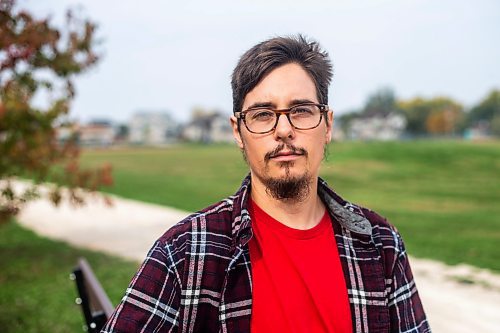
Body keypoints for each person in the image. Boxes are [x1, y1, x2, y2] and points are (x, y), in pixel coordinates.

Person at [101, 35, 430, 333]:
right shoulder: (186, 254)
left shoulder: (380, 244)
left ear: (327, 125)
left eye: (300, 110)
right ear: (237, 132)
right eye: (263, 114)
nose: (284, 130)